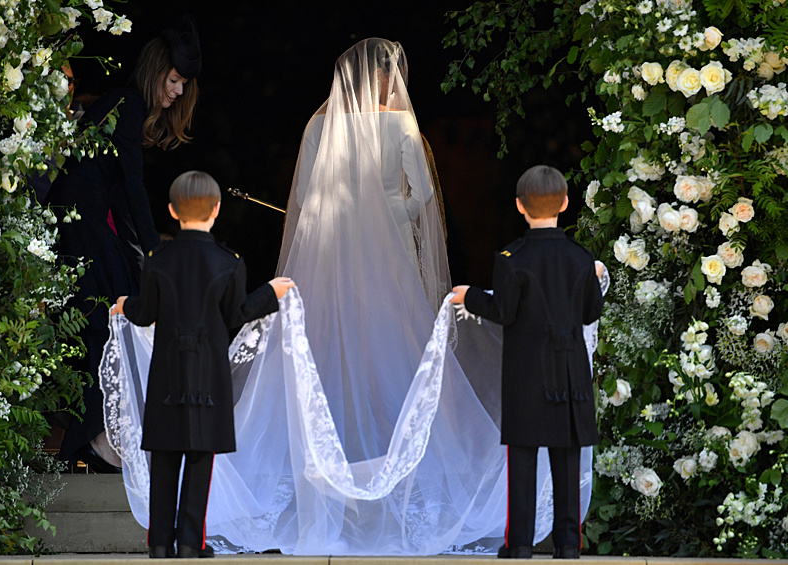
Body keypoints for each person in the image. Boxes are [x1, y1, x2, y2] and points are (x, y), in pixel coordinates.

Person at [102, 38, 585, 556]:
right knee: (394, 345)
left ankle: (323, 466)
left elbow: (308, 197)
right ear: (385, 77)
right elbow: (420, 195)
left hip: (329, 249)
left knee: (323, 346)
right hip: (389, 256)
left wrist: (350, 221)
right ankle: (395, 465)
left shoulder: (318, 126)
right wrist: (382, 219)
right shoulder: (401, 125)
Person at [111, 171, 295, 558]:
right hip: (208, 377)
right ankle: (191, 542)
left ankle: (160, 542)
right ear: (216, 210)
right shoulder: (228, 262)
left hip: (167, 375)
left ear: (172, 211)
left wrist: (124, 304)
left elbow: (144, 314)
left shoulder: (156, 259)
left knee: (163, 455)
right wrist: (271, 293)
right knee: (199, 459)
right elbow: (237, 314)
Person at [46, 15, 202, 472]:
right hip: (82, 229)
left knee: (108, 327)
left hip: (85, 228)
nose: (176, 91)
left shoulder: (124, 105)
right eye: (173, 80)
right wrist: (153, 253)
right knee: (109, 326)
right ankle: (96, 441)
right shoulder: (127, 104)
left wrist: (143, 252)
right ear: (157, 70)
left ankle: (97, 440)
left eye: (183, 83)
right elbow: (130, 188)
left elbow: (120, 193)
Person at [450, 165, 606, 559]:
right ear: (566, 203)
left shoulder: (510, 257)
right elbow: (589, 313)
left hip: (525, 374)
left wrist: (468, 295)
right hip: (570, 372)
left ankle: (519, 544)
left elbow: (502, 311)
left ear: (520, 206)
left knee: (522, 458)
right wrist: (595, 276)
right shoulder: (581, 258)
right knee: (567, 458)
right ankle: (569, 545)